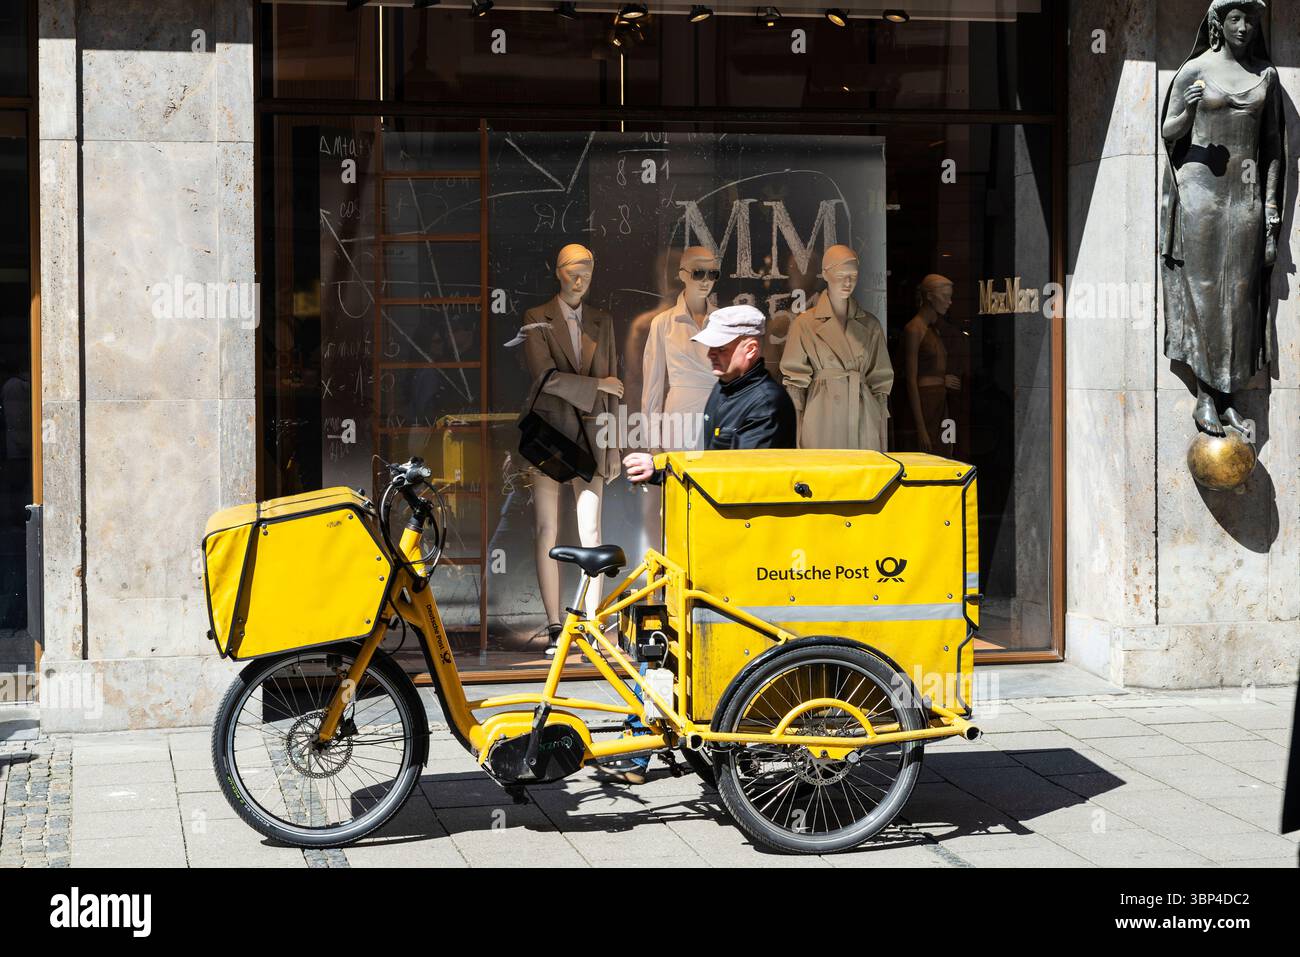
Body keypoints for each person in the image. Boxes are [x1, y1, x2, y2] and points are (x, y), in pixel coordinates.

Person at [600, 305, 795, 784]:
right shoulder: (726, 389)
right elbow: (714, 466)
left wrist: (662, 468)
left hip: (740, 553)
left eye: (721, 348)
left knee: (664, 640)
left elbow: (738, 482)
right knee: (656, 634)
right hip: (715, 543)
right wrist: (662, 467)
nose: (710, 355)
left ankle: (639, 746)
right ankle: (646, 739)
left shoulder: (767, 403)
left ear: (751, 349)